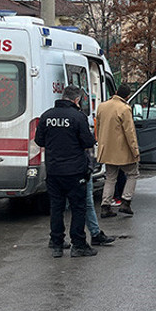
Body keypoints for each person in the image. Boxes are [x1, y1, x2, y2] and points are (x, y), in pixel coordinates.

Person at [33, 85, 97, 258]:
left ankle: (56, 243)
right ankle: (79, 244)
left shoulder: (47, 116)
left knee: (56, 207)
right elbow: (88, 141)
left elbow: (39, 140)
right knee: (78, 208)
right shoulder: (78, 117)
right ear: (77, 100)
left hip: (53, 170)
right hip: (75, 171)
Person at [96, 84, 141, 217]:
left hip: (107, 149)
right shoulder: (125, 108)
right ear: (127, 96)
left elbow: (98, 128)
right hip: (123, 151)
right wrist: (135, 151)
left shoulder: (102, 106)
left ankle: (105, 205)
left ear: (115, 92)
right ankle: (126, 201)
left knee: (110, 177)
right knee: (133, 174)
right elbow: (130, 132)